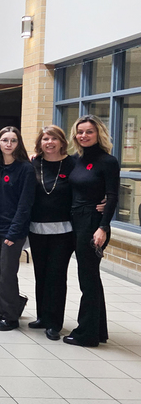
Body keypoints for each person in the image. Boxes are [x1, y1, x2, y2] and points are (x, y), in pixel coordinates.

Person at [65, 115, 119, 347]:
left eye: (89, 131)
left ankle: (87, 334)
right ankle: (98, 330)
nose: (84, 135)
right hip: (75, 219)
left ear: (99, 134)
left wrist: (103, 227)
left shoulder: (108, 161)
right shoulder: (76, 159)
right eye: (80, 132)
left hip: (92, 223)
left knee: (88, 278)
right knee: (91, 279)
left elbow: (113, 195)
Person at [0, 126, 35, 331]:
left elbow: (25, 204)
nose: (9, 144)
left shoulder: (25, 169)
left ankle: (11, 315)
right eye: (5, 140)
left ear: (18, 143)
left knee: (7, 273)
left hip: (13, 230)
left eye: (13, 140)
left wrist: (14, 232)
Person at [27, 125, 76, 341]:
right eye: (46, 138)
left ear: (62, 142)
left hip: (63, 230)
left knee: (56, 275)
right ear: (40, 142)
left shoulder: (73, 164)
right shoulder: (34, 163)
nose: (50, 142)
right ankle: (42, 317)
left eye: (54, 138)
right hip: (37, 228)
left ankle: (54, 323)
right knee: (41, 274)